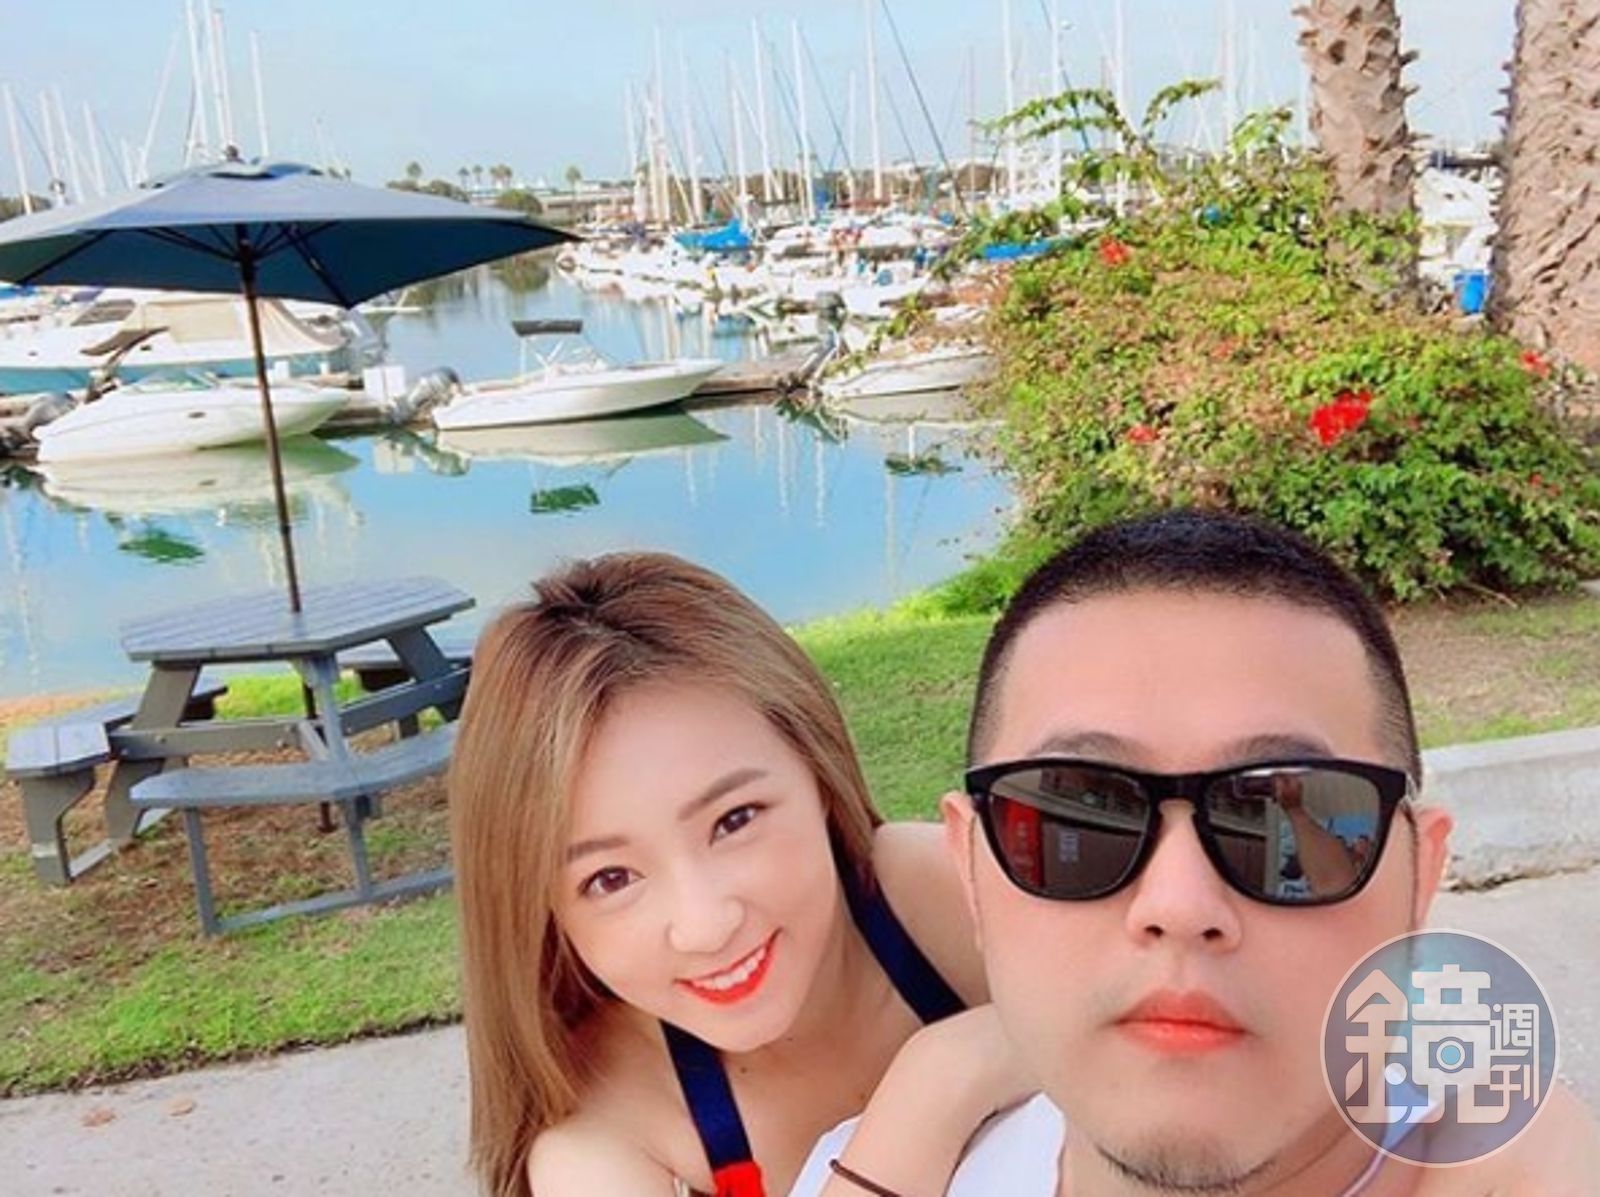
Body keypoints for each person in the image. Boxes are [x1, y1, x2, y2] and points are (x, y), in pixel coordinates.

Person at [802, 509, 1600, 1196]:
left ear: (1420, 876)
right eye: (1084, 817)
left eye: (1288, 815)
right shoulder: (860, 1168)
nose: (1179, 905)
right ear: (972, 871)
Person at [447, 551, 986, 1197]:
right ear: (543, 912)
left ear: (816, 772)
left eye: (735, 820)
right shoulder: (600, 1142)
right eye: (611, 879)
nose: (705, 925)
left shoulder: (947, 898)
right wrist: (934, 1093)